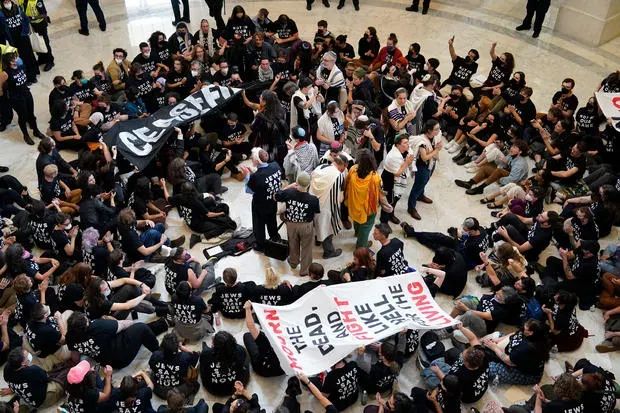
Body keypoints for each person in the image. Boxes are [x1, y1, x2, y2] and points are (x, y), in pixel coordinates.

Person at [65, 311, 160, 369]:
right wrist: (132, 324)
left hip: (107, 363)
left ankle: (162, 324)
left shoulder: (70, 337)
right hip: (122, 356)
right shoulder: (97, 326)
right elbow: (124, 324)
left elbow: (75, 356)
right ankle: (159, 352)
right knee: (141, 327)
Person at [275, 171, 320, 276]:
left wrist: (288, 187)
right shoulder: (313, 199)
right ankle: (305, 270)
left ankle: (294, 262)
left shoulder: (288, 193)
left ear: (296, 182)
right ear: (309, 184)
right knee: (307, 248)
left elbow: (276, 196)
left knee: (293, 244)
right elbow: (316, 212)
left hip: (291, 224)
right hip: (306, 225)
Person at [484, 319, 551, 384]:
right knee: (495, 335)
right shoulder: (527, 332)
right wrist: (498, 340)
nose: (524, 326)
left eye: (526, 327)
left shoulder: (526, 348)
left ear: (531, 333)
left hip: (524, 372)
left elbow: (508, 361)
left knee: (487, 369)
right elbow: (514, 334)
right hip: (513, 354)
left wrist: (494, 347)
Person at [0, 52, 46, 145]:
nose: (16, 60)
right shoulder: (5, 73)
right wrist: (1, 91)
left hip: (26, 93)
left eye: (16, 58)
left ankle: (36, 131)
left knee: (31, 114)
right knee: (23, 116)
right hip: (16, 98)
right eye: (14, 59)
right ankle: (26, 135)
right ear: (9, 62)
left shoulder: (21, 67)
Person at [310, 153, 347, 258]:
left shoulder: (320, 167)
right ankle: (329, 252)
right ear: (343, 165)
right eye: (344, 168)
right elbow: (337, 199)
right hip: (326, 207)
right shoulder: (338, 176)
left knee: (318, 224)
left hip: (313, 203)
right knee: (327, 228)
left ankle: (318, 240)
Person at [246, 148, 282, 252]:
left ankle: (260, 245)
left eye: (252, 158)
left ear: (257, 160)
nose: (251, 159)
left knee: (259, 225)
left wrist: (248, 176)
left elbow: (249, 191)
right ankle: (275, 238)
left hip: (260, 204)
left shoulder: (255, 177)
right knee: (272, 221)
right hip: (273, 200)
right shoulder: (275, 165)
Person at [407, 119, 443, 220]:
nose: (438, 131)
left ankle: (421, 195)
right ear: (428, 130)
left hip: (431, 163)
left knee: (425, 181)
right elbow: (424, 157)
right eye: (436, 129)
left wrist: (436, 149)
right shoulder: (422, 141)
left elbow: (436, 147)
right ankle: (411, 207)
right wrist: (436, 150)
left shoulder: (435, 136)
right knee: (418, 186)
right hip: (422, 166)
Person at [345, 149, 381, 248]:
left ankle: (357, 233)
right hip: (366, 208)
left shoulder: (353, 170)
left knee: (356, 220)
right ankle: (361, 245)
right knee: (366, 226)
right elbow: (376, 195)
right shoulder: (374, 178)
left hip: (353, 203)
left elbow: (346, 184)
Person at [149, 333, 200, 400]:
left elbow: (152, 367)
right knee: (195, 384)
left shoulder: (155, 355)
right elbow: (196, 356)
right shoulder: (184, 357)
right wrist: (182, 347)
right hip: (176, 389)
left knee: (151, 372)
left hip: (159, 389)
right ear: (177, 347)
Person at [199, 331, 249, 396]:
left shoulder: (206, 354)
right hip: (236, 387)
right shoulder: (240, 350)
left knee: (202, 363)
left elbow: (203, 369)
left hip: (213, 388)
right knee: (245, 360)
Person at [242, 301, 284, 377]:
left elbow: (251, 326)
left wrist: (247, 309)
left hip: (262, 369)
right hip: (281, 370)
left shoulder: (265, 340)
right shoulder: (288, 341)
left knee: (247, 335)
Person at [380, 134, 415, 225]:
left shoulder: (406, 150)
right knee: (388, 201)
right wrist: (407, 162)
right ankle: (384, 221)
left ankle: (391, 214)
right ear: (398, 145)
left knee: (396, 198)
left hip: (398, 179)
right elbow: (397, 173)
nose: (408, 145)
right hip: (390, 180)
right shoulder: (393, 156)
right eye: (405, 143)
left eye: (408, 142)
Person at [17, 0, 54, 72]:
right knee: (36, 41)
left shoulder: (37, 1)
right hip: (30, 24)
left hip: (40, 24)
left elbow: (43, 14)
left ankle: (50, 61)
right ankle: (42, 58)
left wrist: (32, 18)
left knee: (44, 42)